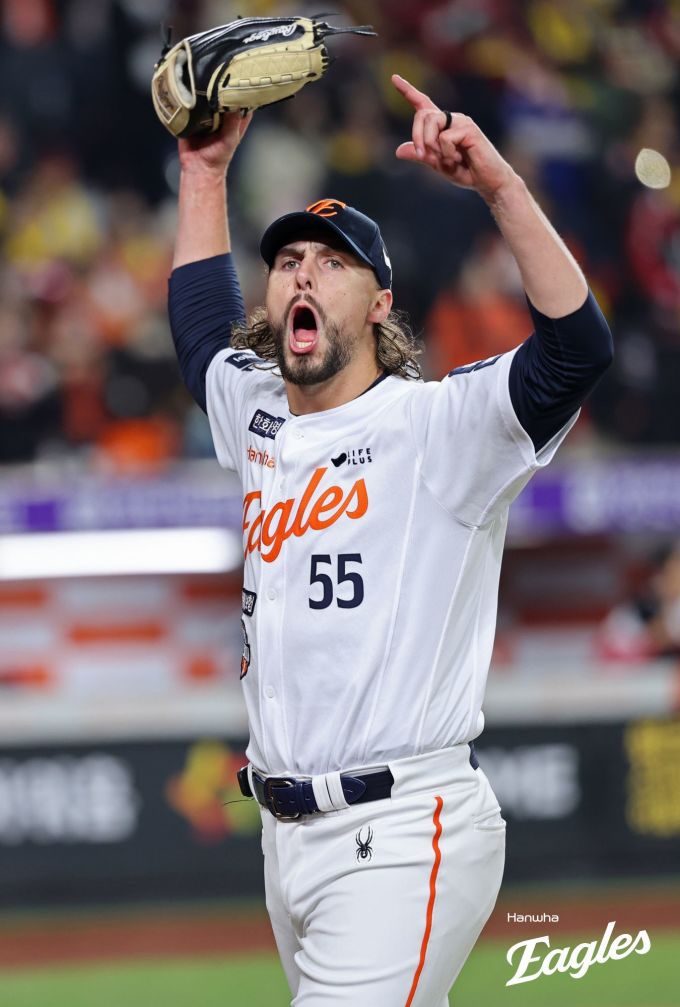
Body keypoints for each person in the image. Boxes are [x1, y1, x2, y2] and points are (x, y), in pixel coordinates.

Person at [168, 74, 613, 1007]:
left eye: (332, 263)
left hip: (405, 825)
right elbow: (203, 333)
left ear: (380, 303)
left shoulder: (438, 427)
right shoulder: (258, 411)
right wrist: (203, 174)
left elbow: (577, 350)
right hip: (286, 835)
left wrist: (499, 188)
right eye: (289, 259)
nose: (302, 273)